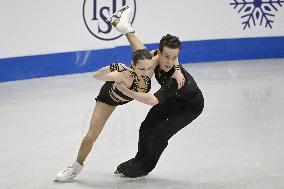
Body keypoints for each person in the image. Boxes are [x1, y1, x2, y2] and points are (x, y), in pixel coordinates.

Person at [110, 6, 204, 178]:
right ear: (159, 53)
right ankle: (138, 159)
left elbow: (152, 100)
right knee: (147, 125)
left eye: (174, 57)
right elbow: (142, 57)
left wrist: (125, 91)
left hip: (190, 106)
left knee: (161, 133)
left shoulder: (177, 80)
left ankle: (144, 167)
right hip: (174, 100)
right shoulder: (156, 58)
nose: (169, 61)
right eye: (166, 56)